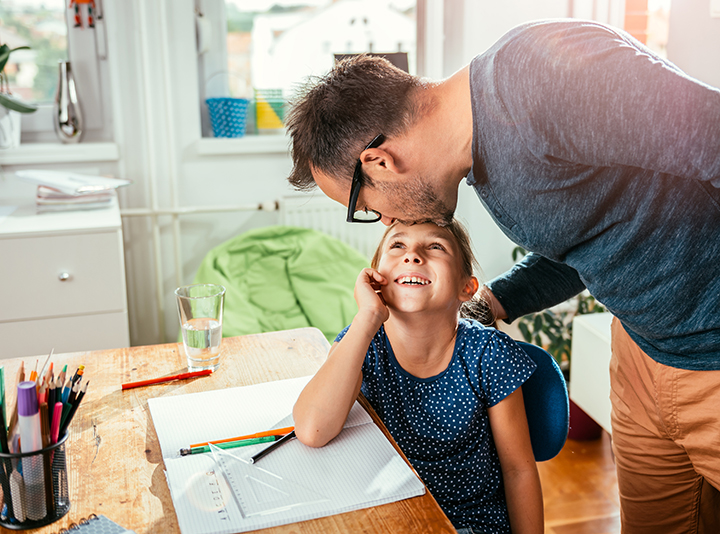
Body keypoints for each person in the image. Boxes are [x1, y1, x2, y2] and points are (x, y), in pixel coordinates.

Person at [285, 18, 720, 533]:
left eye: (363, 205)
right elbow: (589, 242)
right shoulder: (482, 164)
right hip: (641, 355)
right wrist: (488, 304)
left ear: (377, 161)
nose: (384, 222)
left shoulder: (538, 75)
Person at [293, 219, 543, 534]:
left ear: (466, 287)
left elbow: (518, 470)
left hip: (471, 525)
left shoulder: (488, 354)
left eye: (435, 246)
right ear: (376, 280)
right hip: (385, 521)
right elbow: (312, 430)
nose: (412, 255)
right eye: (397, 245)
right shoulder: (362, 342)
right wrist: (368, 316)